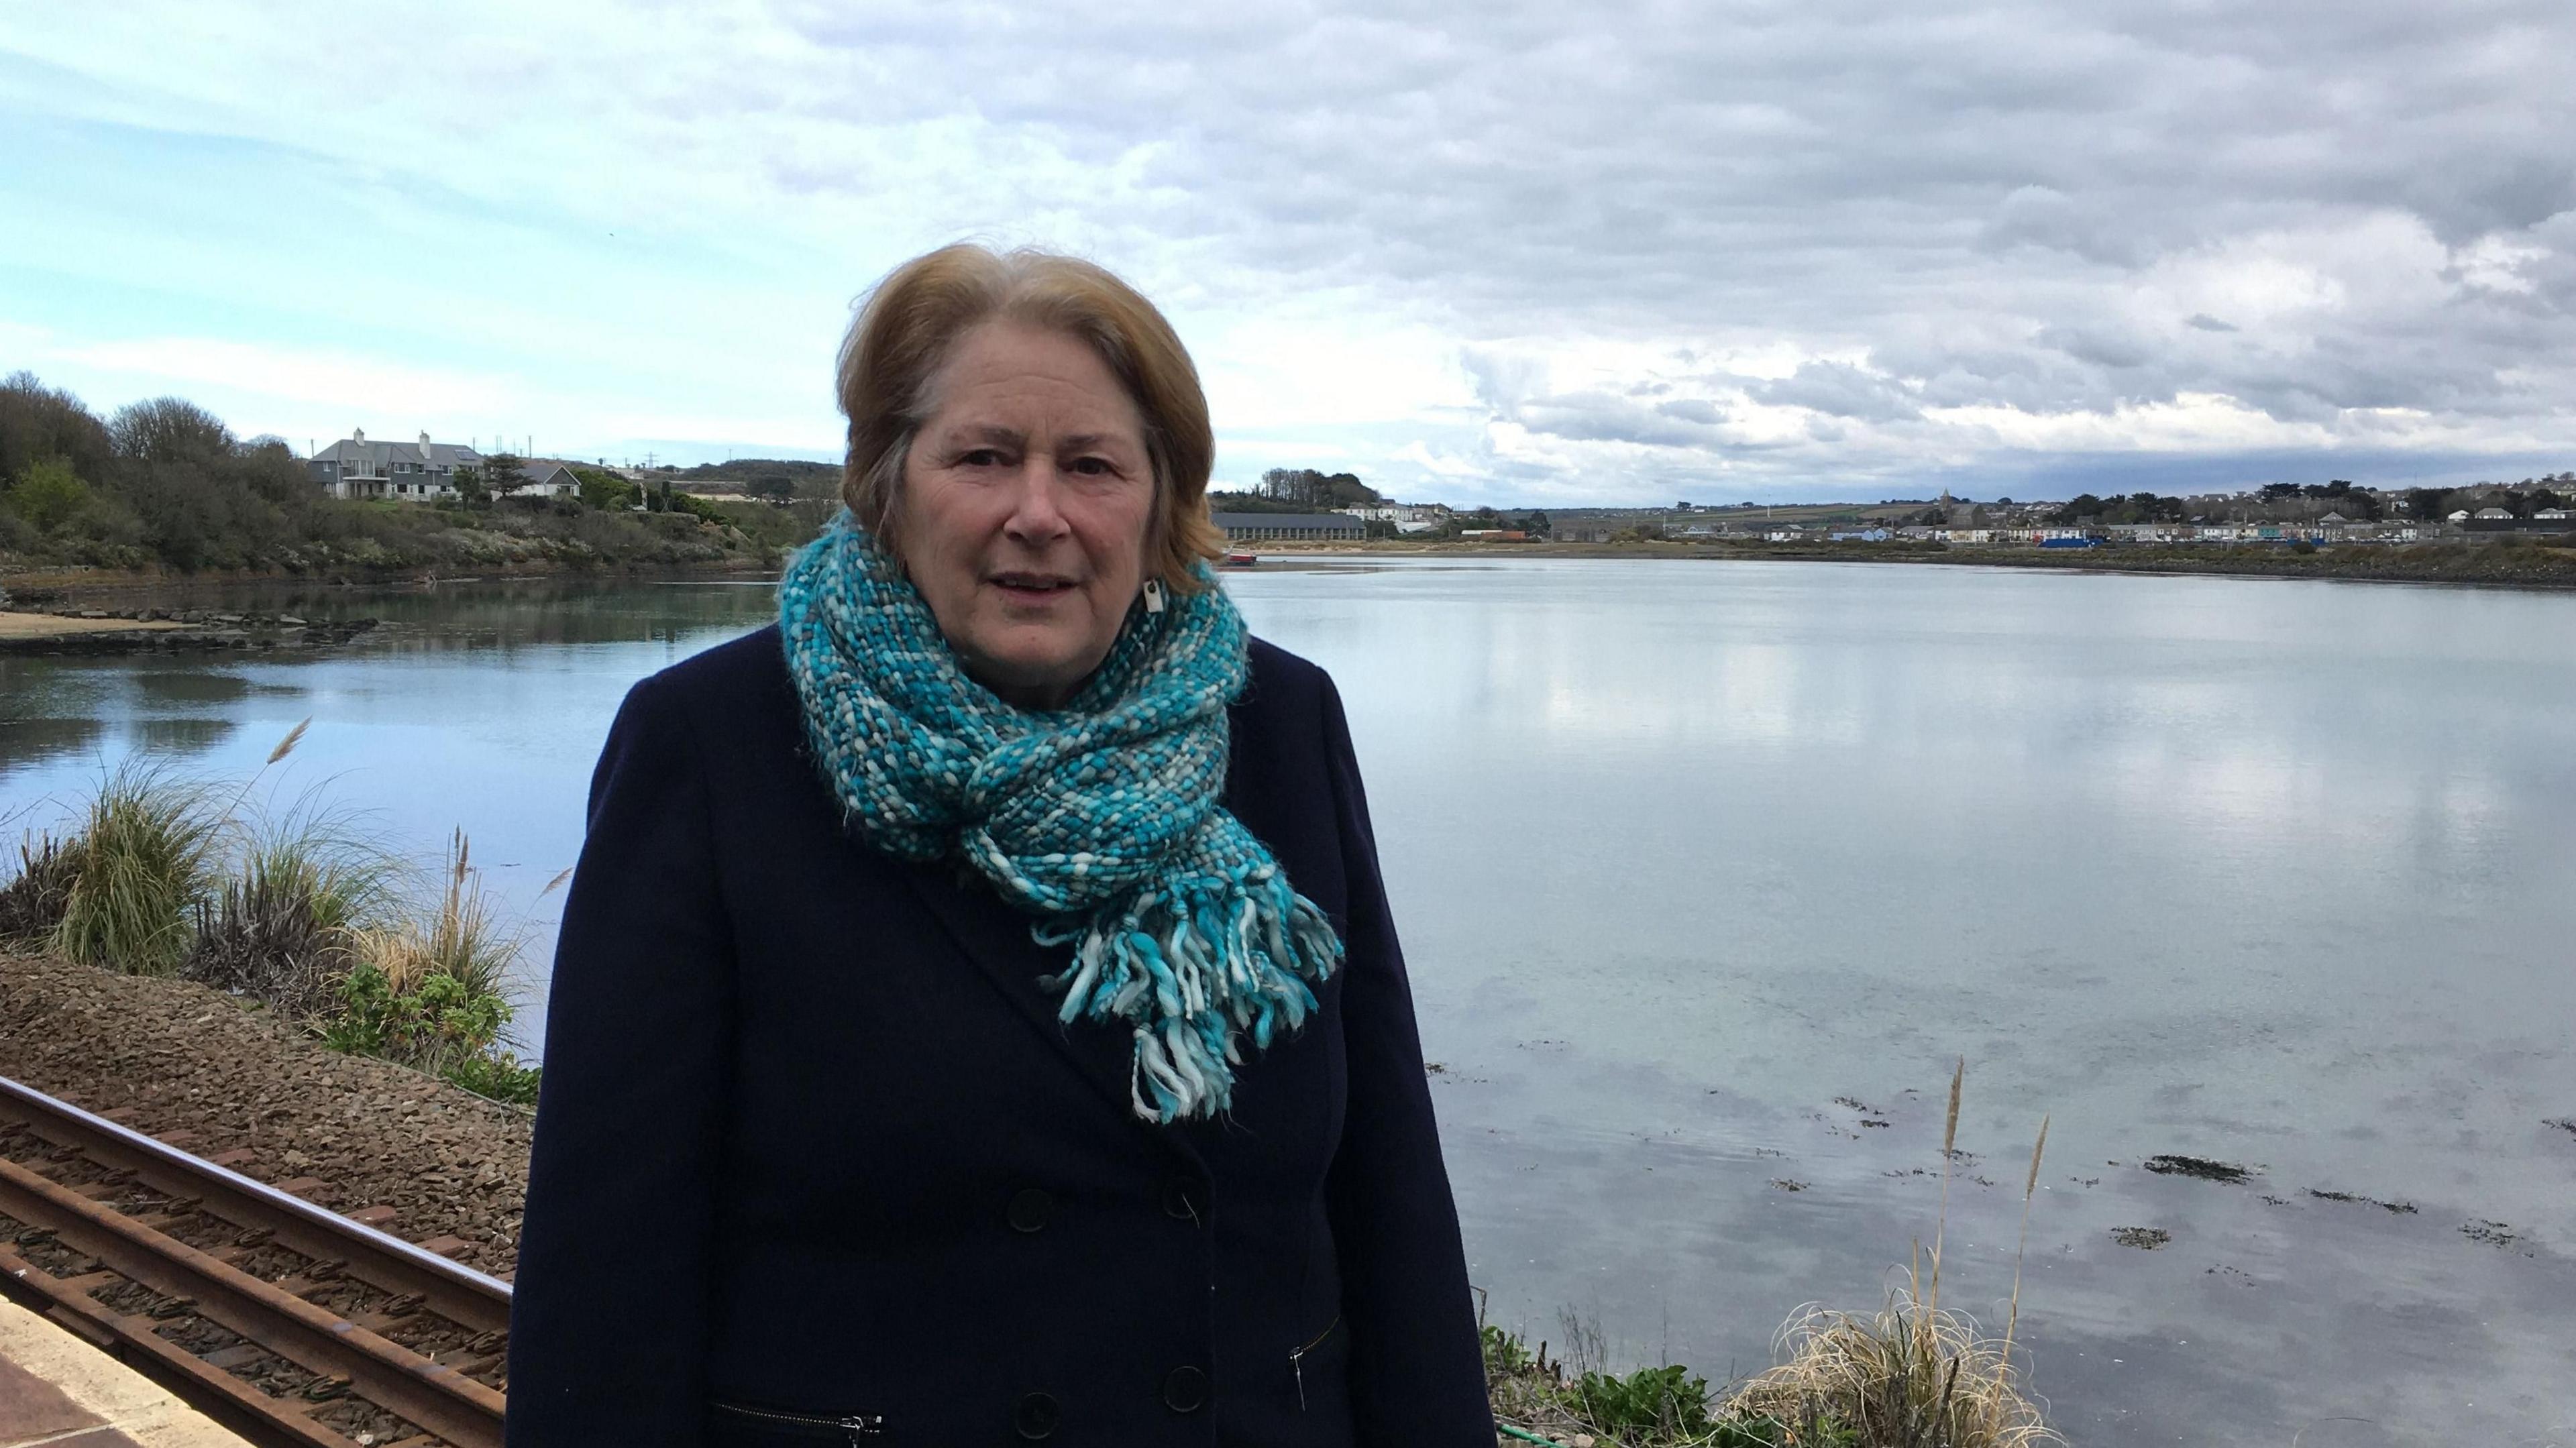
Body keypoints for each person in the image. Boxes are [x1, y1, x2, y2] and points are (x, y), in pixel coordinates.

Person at [504, 243, 1491, 1445]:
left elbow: (1389, 1187)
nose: (1040, 513)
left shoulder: (1279, 723)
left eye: (1092, 465)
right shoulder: (712, 747)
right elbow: (607, 1270)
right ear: (887, 482)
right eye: (983, 458)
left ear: (1160, 499)